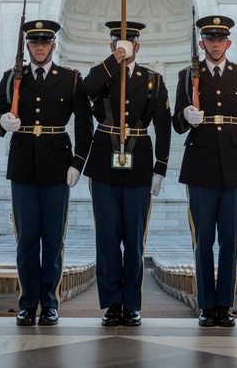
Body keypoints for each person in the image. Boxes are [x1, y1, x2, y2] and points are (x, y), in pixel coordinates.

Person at [0, 19, 93, 327]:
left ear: (54, 45)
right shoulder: (12, 78)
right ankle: (27, 303)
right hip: (22, 166)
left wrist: (77, 163)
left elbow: (85, 127)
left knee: (53, 240)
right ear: (28, 46)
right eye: (34, 42)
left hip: (58, 167)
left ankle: (49, 303)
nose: (40, 47)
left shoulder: (71, 79)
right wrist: (2, 122)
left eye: (45, 42)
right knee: (27, 240)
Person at [172, 15, 237, 328]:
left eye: (220, 39)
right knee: (203, 239)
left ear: (228, 43)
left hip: (236, 166)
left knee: (229, 240)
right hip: (200, 166)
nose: (215, 44)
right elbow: (177, 125)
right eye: (209, 39)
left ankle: (224, 305)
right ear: (202, 43)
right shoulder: (187, 75)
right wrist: (186, 114)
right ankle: (206, 305)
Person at [80, 21, 171, 327]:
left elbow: (163, 125)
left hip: (139, 164)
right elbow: (85, 90)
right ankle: (111, 303)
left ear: (138, 47)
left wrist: (161, 166)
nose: (124, 47)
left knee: (134, 240)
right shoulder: (104, 75)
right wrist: (113, 62)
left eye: (129, 43)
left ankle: (131, 304)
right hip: (105, 162)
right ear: (111, 47)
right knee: (107, 238)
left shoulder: (153, 81)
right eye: (119, 43)